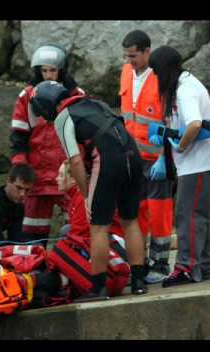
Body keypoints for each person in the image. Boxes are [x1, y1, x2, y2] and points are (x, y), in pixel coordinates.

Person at [30, 80, 148, 297]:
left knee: (98, 226)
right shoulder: (96, 104)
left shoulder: (63, 118)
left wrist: (85, 195)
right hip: (134, 157)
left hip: (108, 162)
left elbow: (74, 160)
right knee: (130, 221)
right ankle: (140, 282)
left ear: (45, 107)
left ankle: (98, 287)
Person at [148, 46, 210, 287]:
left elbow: (194, 124)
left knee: (187, 215)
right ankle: (204, 266)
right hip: (199, 162)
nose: (154, 78)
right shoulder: (182, 85)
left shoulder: (185, 90)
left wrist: (180, 147)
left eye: (156, 72)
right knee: (198, 215)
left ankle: (186, 268)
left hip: (199, 163)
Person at [9, 44, 86, 247]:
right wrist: (21, 166)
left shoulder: (76, 95)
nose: (48, 75)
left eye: (53, 70)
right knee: (32, 231)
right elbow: (18, 136)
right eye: (44, 70)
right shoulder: (26, 97)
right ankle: (34, 270)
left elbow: (84, 136)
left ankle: (73, 267)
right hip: (37, 175)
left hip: (67, 174)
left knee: (78, 225)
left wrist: (80, 168)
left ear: (61, 70)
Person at [120, 30, 175, 283]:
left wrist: (165, 155)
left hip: (157, 158)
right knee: (137, 211)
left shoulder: (160, 75)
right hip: (133, 157)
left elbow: (168, 117)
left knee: (159, 211)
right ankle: (138, 263)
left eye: (134, 56)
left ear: (146, 52)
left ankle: (161, 263)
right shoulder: (125, 73)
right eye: (127, 56)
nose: (130, 61)